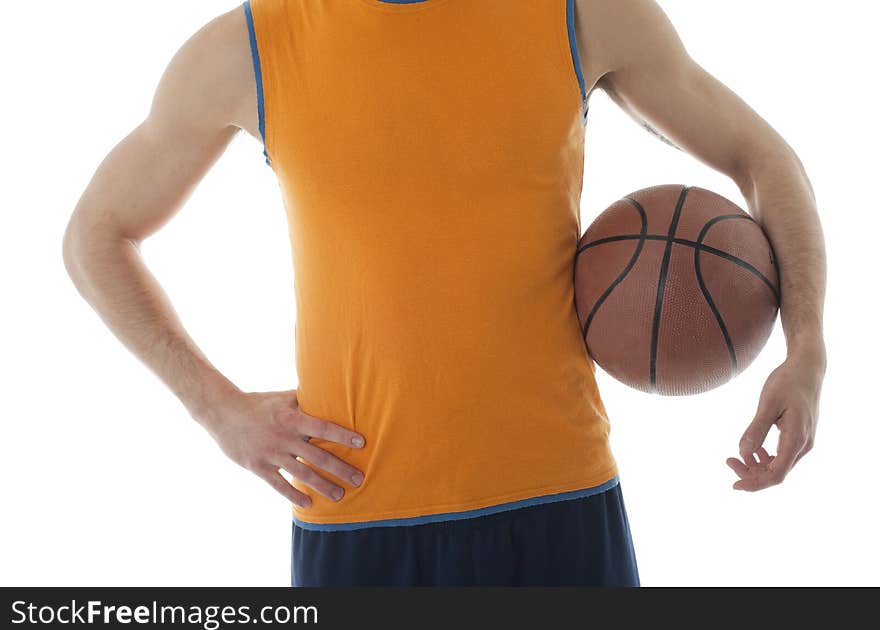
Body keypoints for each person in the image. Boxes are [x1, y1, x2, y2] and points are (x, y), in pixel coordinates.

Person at [62, 0, 826, 586]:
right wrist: (215, 408)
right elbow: (95, 235)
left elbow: (765, 157)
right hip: (357, 523)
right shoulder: (255, 43)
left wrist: (807, 350)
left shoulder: (575, 12)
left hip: (559, 505)